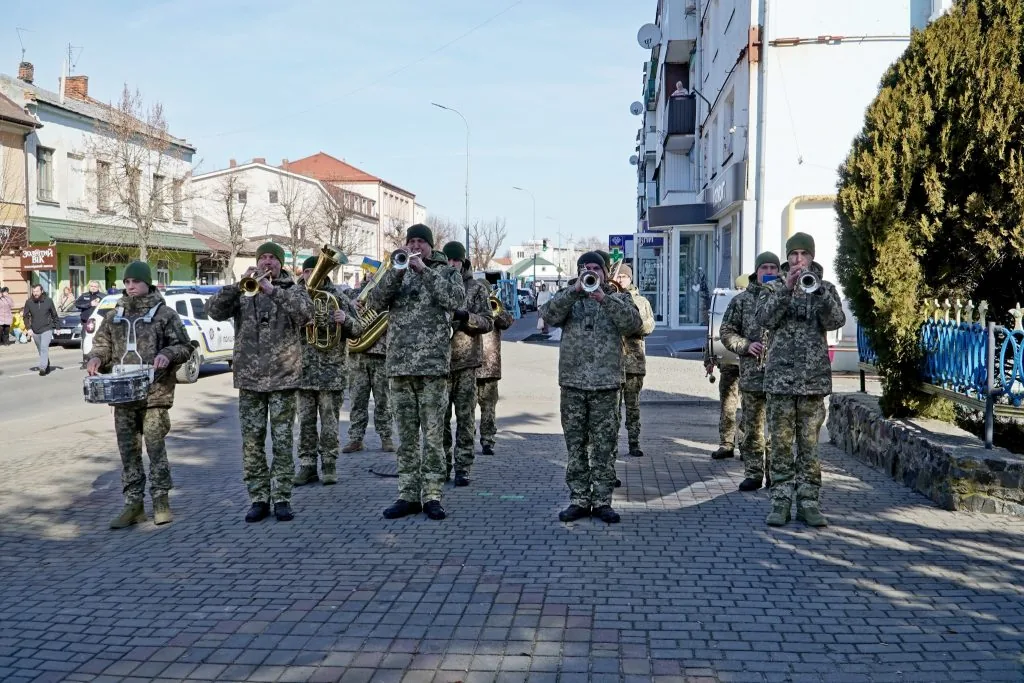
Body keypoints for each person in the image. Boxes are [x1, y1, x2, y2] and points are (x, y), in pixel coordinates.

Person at [208, 242, 313, 523]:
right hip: (250, 379)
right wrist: (236, 285)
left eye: (272, 258)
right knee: (252, 443)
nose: (267, 262)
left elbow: (305, 315)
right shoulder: (244, 289)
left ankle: (281, 498)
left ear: (281, 263)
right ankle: (258, 498)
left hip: (283, 377)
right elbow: (214, 311)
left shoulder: (294, 289)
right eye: (263, 257)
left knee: (281, 441)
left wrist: (273, 291)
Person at [367, 224, 465, 521]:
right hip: (400, 366)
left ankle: (433, 494)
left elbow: (455, 300)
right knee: (407, 436)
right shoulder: (395, 268)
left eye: (421, 241)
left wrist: (424, 270)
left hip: (433, 366)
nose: (416, 246)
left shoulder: (446, 271)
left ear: (431, 246)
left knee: (433, 435)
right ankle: (408, 493)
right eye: (412, 241)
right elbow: (374, 302)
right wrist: (396, 273)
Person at [86, 262, 192, 528]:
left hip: (154, 394)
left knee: (155, 448)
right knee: (128, 452)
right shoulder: (114, 316)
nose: (130, 286)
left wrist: (167, 354)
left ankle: (160, 502)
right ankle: (133, 504)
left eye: (135, 281)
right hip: (123, 395)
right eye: (127, 282)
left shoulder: (164, 314)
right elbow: (102, 345)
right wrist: (96, 358)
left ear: (148, 283)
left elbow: (184, 346)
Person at [542, 252, 642, 524]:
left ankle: (601, 501)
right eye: (586, 268)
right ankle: (578, 499)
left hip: (606, 385)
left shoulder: (619, 297)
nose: (591, 271)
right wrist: (574, 292)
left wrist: (604, 299)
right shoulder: (569, 296)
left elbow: (634, 324)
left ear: (606, 272)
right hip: (573, 384)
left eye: (596, 267)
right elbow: (549, 316)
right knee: (575, 445)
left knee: (604, 446)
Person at [757, 233, 846, 527]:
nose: (797, 259)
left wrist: (818, 292)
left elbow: (836, 321)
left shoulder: (826, 288)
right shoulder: (773, 289)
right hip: (780, 381)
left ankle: (809, 502)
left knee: (809, 447)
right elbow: (765, 319)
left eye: (803, 254)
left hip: (812, 383)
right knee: (781, 446)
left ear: (811, 258)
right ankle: (781, 501)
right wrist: (787, 287)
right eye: (793, 254)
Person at [293, 254, 363, 487]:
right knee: (305, 423)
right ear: (301, 274)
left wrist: (346, 321)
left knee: (330, 423)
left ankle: (330, 465)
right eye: (307, 271)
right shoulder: (293, 297)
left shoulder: (338, 297)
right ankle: (307, 466)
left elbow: (358, 330)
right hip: (302, 371)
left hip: (331, 372)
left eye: (316, 271)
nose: (312, 275)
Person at [720, 252, 780, 492]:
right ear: (757, 272)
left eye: (773, 268)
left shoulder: (786, 296)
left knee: (778, 430)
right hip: (753, 374)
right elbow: (726, 331)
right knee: (753, 428)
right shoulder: (742, 301)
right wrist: (746, 345)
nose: (769, 272)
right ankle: (753, 473)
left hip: (780, 377)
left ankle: (776, 475)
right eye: (764, 267)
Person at [440, 241, 493, 486]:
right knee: (439, 421)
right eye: (448, 260)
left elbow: (487, 322)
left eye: (456, 261)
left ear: (463, 262)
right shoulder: (436, 284)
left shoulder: (476, 288)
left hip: (466, 363)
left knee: (465, 418)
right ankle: (441, 465)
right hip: (438, 364)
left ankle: (463, 466)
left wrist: (465, 317)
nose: (452, 265)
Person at [343, 267, 395, 454]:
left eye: (378, 272)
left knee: (383, 400)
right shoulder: (353, 293)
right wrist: (351, 305)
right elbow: (340, 310)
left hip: (381, 355)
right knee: (357, 400)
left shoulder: (387, 293)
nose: (373, 276)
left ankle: (386, 437)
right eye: (371, 272)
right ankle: (355, 438)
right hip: (357, 355)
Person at [613, 265, 656, 458]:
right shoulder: (609, 299)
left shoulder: (641, 301)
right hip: (612, 364)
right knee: (612, 411)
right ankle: (611, 447)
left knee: (633, 406)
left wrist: (632, 325)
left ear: (630, 279)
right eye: (619, 276)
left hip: (633, 363)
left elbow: (648, 325)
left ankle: (634, 443)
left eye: (625, 276)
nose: (621, 279)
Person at [476, 287, 514, 456]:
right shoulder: (471, 304)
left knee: (489, 407)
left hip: (490, 367)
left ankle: (487, 440)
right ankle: (468, 439)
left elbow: (507, 322)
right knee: (467, 409)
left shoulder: (495, 305)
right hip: (470, 366)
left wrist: (497, 311)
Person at [23, 284, 59, 376]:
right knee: (40, 349)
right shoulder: (29, 302)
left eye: (37, 291)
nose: (35, 293)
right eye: (34, 291)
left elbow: (54, 314)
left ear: (41, 291)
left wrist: (57, 327)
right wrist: (29, 328)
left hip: (47, 328)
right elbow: (25, 316)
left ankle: (42, 367)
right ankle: (46, 364)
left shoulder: (48, 301)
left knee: (44, 347)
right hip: (35, 329)